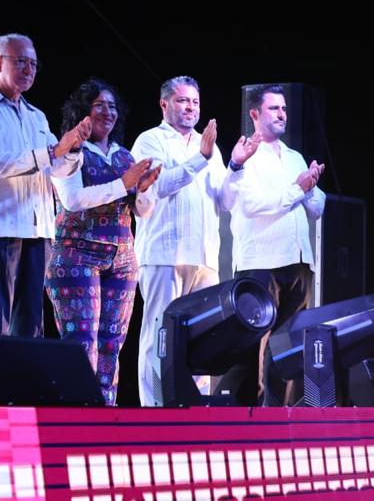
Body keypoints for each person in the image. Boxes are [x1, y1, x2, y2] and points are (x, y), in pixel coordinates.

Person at [130, 76, 255, 406]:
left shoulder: (207, 145)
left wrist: (236, 166)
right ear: (164, 104)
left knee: (202, 338)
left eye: (195, 102)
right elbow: (158, 186)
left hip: (204, 257)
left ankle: (195, 409)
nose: (190, 108)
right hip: (163, 255)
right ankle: (154, 408)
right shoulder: (149, 140)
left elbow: (225, 200)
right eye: (183, 101)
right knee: (158, 336)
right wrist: (200, 157)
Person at [0, 33, 91, 337]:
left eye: (33, 64)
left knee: (30, 328)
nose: (29, 69)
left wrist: (72, 149)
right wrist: (53, 151)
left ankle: (20, 372)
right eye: (21, 62)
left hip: (37, 230)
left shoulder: (36, 116)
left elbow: (57, 168)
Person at [47, 79, 159, 405]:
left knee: (112, 344)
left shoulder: (124, 156)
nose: (107, 112)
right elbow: (72, 200)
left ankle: (106, 416)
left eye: (112, 107)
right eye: (99, 105)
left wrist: (144, 189)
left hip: (121, 261)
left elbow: (142, 211)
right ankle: (77, 416)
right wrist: (124, 184)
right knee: (82, 344)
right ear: (83, 111)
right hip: (77, 256)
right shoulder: (69, 151)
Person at [222, 84, 325, 406]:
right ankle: (247, 415)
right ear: (254, 113)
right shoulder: (246, 156)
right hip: (261, 262)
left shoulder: (294, 157)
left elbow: (317, 208)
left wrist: (310, 186)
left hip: (298, 261)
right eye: (274, 108)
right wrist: (297, 190)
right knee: (253, 344)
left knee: (289, 344)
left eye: (284, 109)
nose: (282, 114)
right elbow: (253, 205)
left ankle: (280, 413)